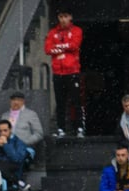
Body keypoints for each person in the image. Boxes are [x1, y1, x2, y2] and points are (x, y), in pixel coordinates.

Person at [45, 9, 84, 138]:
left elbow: (74, 45)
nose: (63, 19)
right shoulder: (52, 32)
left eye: (65, 16)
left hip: (72, 71)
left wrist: (58, 47)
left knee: (76, 101)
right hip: (58, 72)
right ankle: (61, 128)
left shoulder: (76, 30)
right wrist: (64, 47)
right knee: (60, 102)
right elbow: (47, 49)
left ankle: (79, 128)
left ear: (70, 17)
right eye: (60, 16)